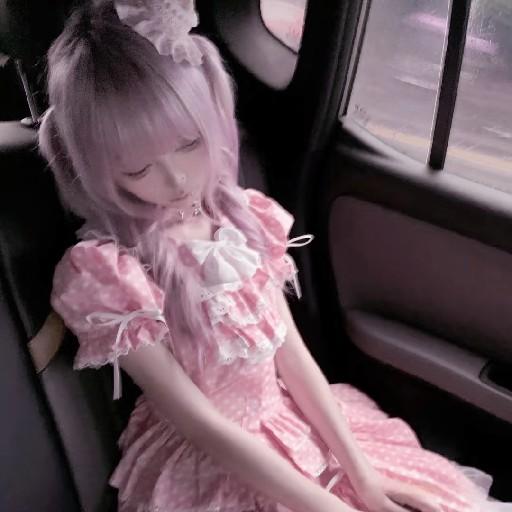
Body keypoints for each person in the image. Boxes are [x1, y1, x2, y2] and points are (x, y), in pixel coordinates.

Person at [38, 1, 511, 511]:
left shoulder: (242, 218)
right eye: (138, 169)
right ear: (97, 168)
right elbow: (202, 426)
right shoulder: (109, 274)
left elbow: (293, 358)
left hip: (290, 419)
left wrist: (364, 482)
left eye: (189, 144)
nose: (175, 179)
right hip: (213, 464)